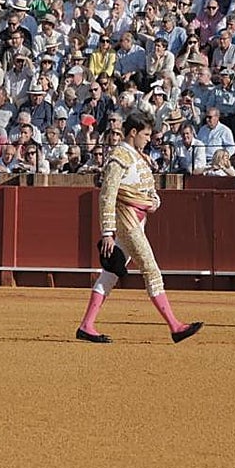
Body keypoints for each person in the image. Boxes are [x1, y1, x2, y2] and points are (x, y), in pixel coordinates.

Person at [75, 110, 202, 344]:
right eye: (145, 134)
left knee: (110, 274)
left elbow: (147, 190)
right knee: (151, 270)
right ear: (133, 133)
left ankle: (86, 325)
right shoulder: (120, 156)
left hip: (137, 219)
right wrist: (107, 233)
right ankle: (175, 326)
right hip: (127, 221)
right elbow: (107, 194)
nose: (148, 138)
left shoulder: (136, 155)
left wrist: (154, 201)